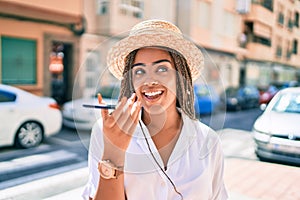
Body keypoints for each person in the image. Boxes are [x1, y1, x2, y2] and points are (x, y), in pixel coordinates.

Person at [82, 19, 228, 200]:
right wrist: (114, 152)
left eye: (161, 69)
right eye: (140, 72)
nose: (149, 81)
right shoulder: (105, 132)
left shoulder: (209, 141)